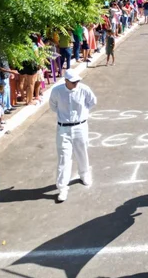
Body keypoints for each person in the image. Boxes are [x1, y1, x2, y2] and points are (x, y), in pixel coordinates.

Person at [49, 69, 97, 202]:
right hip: (63, 128)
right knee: (64, 157)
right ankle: (62, 187)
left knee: (82, 152)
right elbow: (53, 106)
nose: (76, 83)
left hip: (80, 126)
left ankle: (84, 174)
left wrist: (83, 113)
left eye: (77, 81)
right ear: (66, 81)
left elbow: (92, 102)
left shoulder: (84, 89)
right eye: (73, 82)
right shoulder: (57, 91)